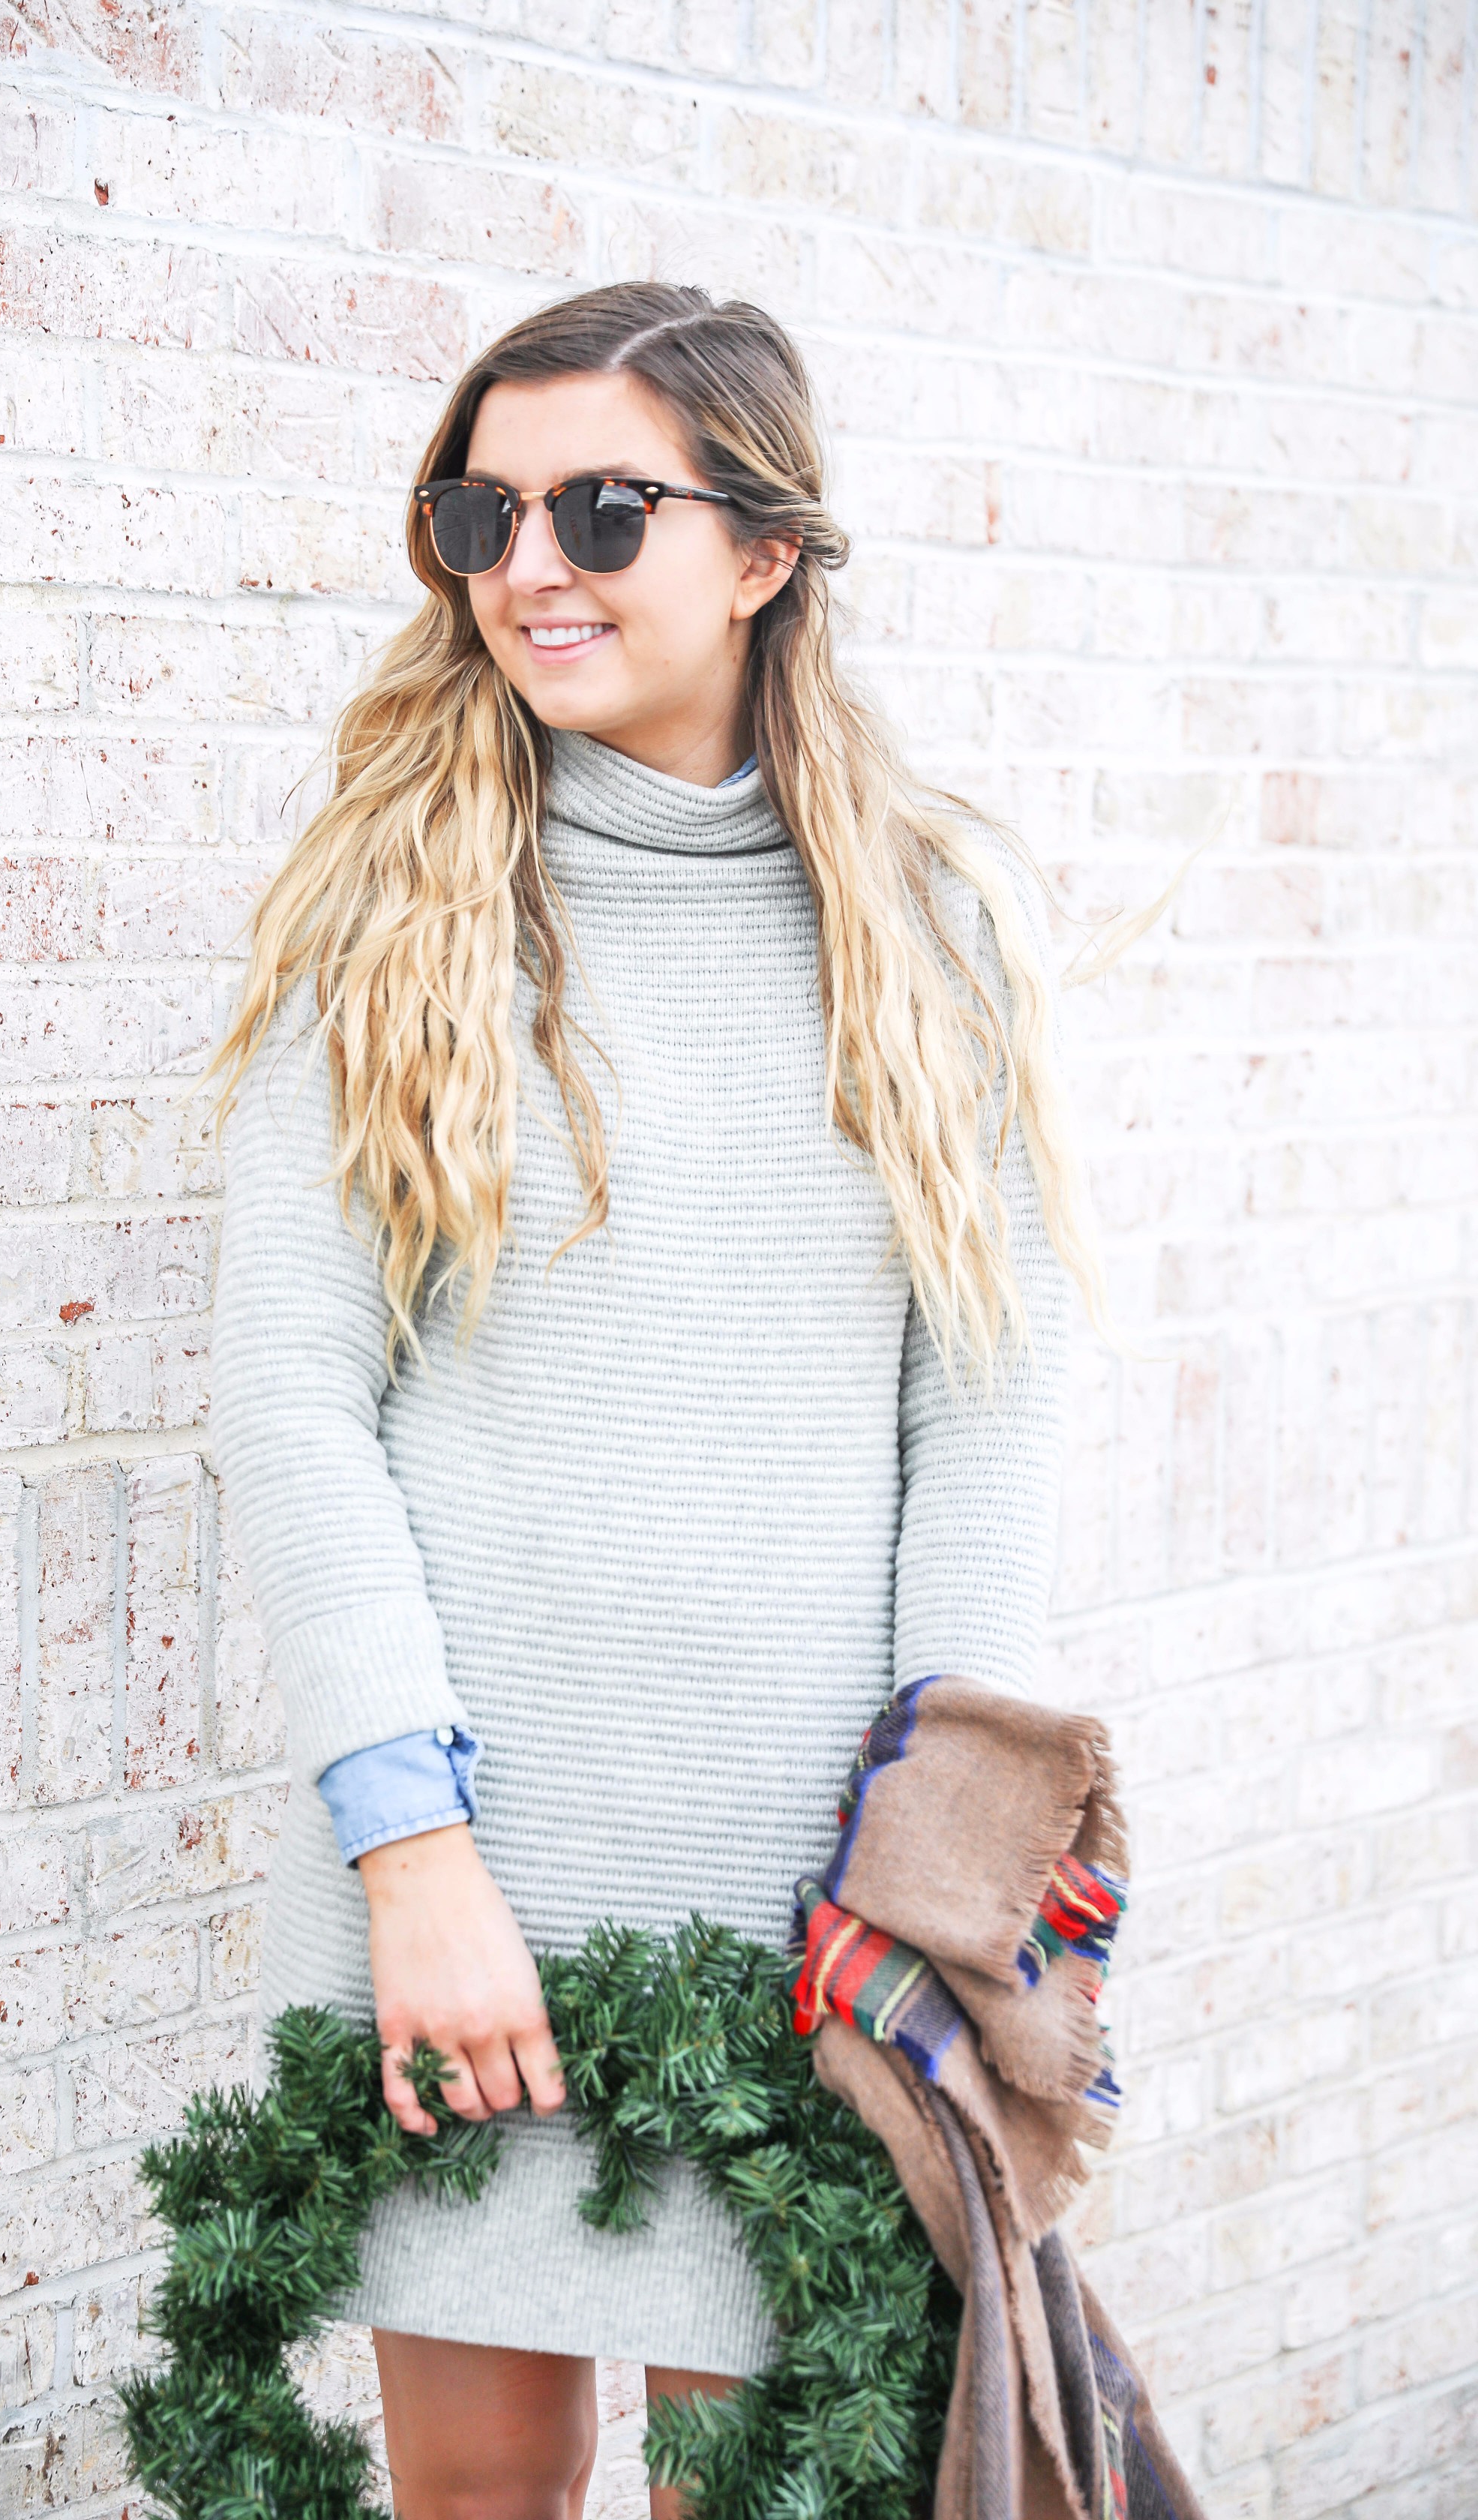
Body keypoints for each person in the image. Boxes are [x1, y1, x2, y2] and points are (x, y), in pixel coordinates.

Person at [207, 280, 1102, 2520]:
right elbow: (294, 1398)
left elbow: (983, 1415)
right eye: (479, 510)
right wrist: (414, 1862)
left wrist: (936, 1880)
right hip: (463, 1883)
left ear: (766, 549)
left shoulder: (935, 930)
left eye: (605, 506)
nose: (532, 564)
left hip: (811, 1904)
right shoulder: (390, 917)